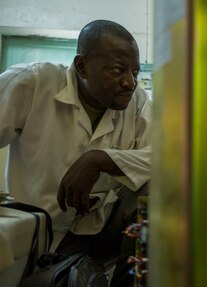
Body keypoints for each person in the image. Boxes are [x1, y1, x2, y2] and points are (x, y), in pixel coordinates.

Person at [0, 19, 151, 286]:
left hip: (102, 232)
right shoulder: (33, 83)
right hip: (40, 233)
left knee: (158, 188)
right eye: (118, 70)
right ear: (82, 66)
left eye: (135, 72)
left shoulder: (136, 102)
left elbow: (171, 156)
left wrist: (102, 160)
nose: (130, 82)